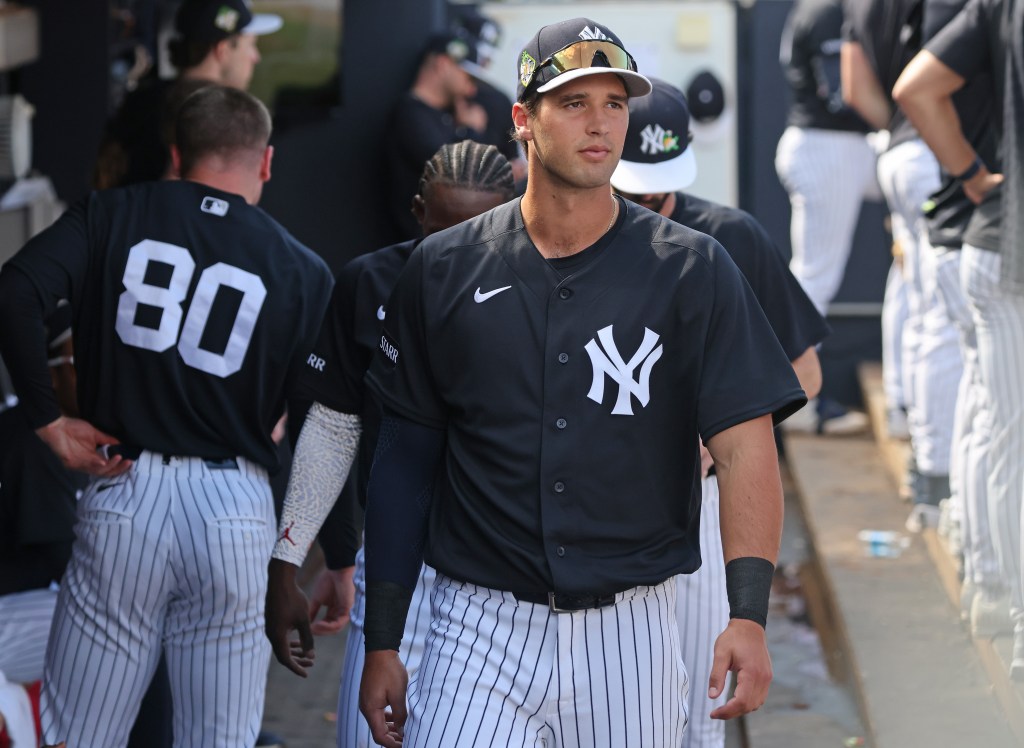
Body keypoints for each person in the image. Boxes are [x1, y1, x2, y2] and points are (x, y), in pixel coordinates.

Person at [351, 17, 804, 747]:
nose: (600, 124)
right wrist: (384, 639)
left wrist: (747, 614)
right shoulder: (442, 269)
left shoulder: (693, 267)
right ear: (523, 120)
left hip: (631, 624)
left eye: (615, 104)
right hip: (479, 621)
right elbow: (405, 459)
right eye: (573, 103)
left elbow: (748, 446)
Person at [0, 85, 333, 746]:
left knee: (83, 735)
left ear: (176, 155)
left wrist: (47, 423)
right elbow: (325, 427)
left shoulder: (110, 211)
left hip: (127, 487)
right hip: (236, 503)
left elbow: (13, 293)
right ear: (265, 163)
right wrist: (304, 560)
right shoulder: (303, 268)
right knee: (220, 739)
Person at [265, 140, 516, 748]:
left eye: (478, 230)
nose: (457, 249)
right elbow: (332, 426)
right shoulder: (370, 280)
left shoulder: (546, 289)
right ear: (417, 212)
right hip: (396, 563)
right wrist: (289, 560)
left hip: (506, 576)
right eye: (443, 229)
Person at [609, 78, 829, 748]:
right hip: (597, 499)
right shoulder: (567, 238)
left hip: (704, 500)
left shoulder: (728, 235)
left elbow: (806, 372)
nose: (648, 204)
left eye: (658, 190)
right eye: (633, 190)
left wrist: (721, 436)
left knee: (701, 696)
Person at [894, 0, 1023, 676]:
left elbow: (912, 87)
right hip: (998, 242)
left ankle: (989, 579)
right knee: (1005, 430)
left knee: (992, 417)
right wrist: (976, 177)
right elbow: (911, 89)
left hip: (983, 237)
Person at [775, 0, 877, 435]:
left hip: (828, 145)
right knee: (815, 279)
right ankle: (797, 402)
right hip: (828, 147)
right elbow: (843, 95)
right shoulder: (828, 10)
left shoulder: (816, 7)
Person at [94, 0, 281, 189]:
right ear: (222, 50)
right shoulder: (220, 117)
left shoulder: (140, 99)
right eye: (250, 45)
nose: (255, 57)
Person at [384, 32, 489, 242]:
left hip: (447, 246)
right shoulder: (411, 113)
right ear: (443, 64)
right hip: (419, 250)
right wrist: (471, 131)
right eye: (467, 76)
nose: (471, 88)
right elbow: (453, 174)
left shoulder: (445, 116)